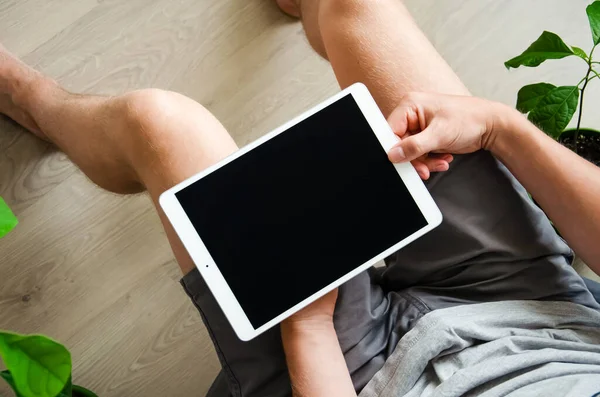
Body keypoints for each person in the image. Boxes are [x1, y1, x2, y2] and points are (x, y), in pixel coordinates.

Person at [1, 0, 600, 395]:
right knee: (356, 6)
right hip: (530, 306)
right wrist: (500, 127)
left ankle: (39, 105)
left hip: (350, 379)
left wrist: (308, 327)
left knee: (159, 123)